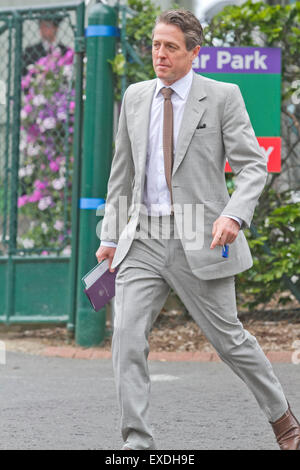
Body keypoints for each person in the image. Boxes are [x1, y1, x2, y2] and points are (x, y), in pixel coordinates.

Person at [96, 9, 300, 450]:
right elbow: (121, 174)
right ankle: (136, 443)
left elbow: (252, 167)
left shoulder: (222, 95)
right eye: (155, 44)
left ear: (194, 52)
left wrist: (233, 214)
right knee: (127, 337)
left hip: (201, 236)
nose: (160, 54)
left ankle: (284, 421)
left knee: (229, 340)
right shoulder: (135, 97)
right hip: (143, 236)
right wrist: (110, 237)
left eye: (170, 46)